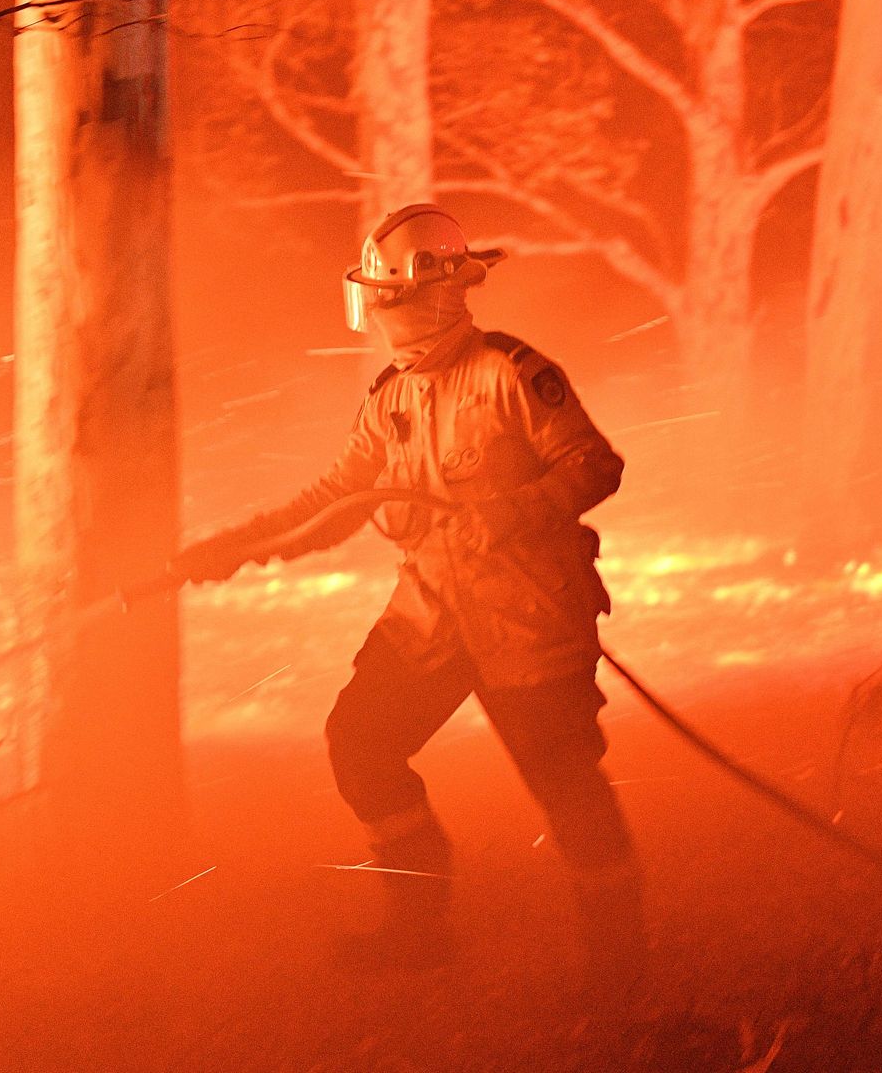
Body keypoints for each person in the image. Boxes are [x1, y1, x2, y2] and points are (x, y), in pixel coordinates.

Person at [174, 204, 642, 977]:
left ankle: (620, 966)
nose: (380, 316)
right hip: (431, 617)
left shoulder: (512, 374)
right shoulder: (388, 399)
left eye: (387, 299)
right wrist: (227, 551)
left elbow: (596, 466)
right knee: (361, 744)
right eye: (376, 301)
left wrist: (512, 510)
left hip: (528, 617)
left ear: (430, 296)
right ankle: (419, 931)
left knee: (565, 787)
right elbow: (330, 503)